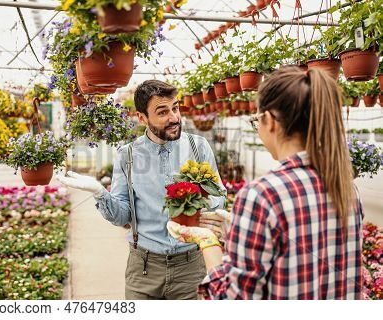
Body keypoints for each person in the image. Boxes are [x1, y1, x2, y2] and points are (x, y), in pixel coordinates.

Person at [167, 67, 363, 299]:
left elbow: (230, 301)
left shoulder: (262, 195)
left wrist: (207, 241)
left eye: (256, 120)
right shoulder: (346, 188)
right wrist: (238, 229)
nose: (257, 127)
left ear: (269, 121)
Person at [58, 80, 227, 300]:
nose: (174, 117)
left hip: (192, 267)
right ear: (142, 118)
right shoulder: (128, 156)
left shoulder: (198, 146)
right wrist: (100, 193)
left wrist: (209, 208)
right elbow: (122, 217)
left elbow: (218, 195)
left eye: (175, 108)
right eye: (162, 112)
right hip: (144, 270)